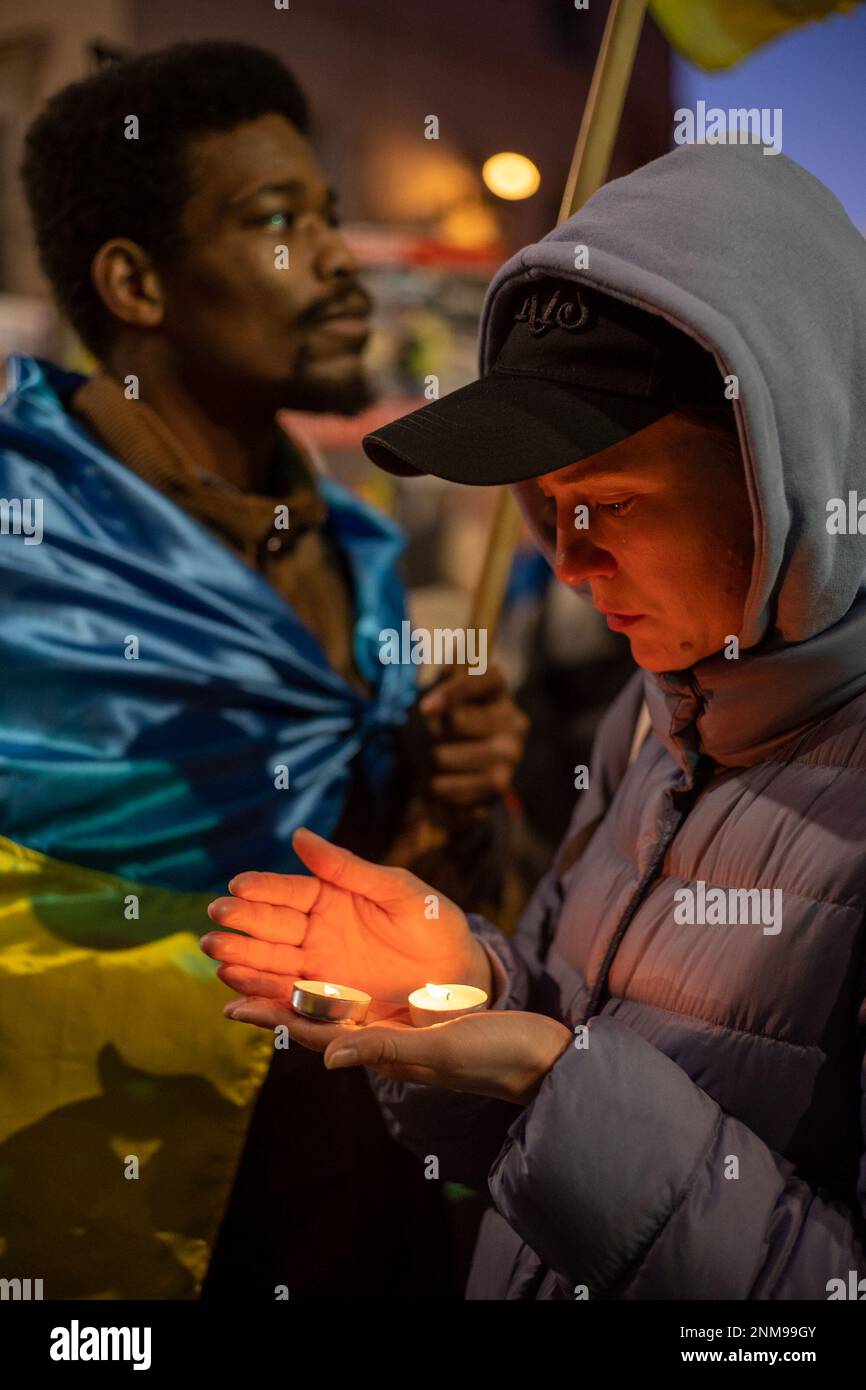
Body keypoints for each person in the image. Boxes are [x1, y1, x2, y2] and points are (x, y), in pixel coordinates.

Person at [202, 142, 866, 1299]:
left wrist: (553, 1081)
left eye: (605, 503)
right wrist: (461, 989)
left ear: (783, 467)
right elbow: (555, 1072)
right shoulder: (653, 716)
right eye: (545, 507)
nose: (563, 563)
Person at [0, 41, 526, 1299]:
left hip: (349, 1161)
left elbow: (400, 884)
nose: (342, 258)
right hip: (91, 1178)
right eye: (277, 221)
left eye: (328, 215)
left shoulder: (354, 538)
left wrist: (447, 799)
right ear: (135, 282)